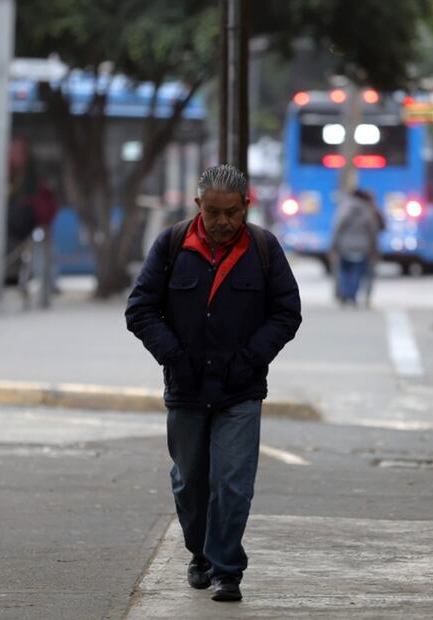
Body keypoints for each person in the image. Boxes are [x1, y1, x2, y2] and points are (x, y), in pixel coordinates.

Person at [124, 164, 302, 603]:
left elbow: (286, 313)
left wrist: (250, 359)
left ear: (246, 206)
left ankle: (227, 568)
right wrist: (174, 357)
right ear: (198, 205)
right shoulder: (171, 245)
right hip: (185, 389)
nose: (223, 223)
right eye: (213, 213)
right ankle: (199, 554)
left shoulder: (264, 248)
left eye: (232, 213)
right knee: (190, 481)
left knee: (233, 481)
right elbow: (140, 309)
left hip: (239, 390)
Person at [330, 188, 384, 306]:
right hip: (362, 247)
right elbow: (373, 231)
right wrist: (374, 248)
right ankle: (352, 295)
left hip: (344, 246)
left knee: (344, 272)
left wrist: (333, 246)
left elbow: (337, 228)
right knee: (357, 273)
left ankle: (344, 293)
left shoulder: (343, 209)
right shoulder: (368, 211)